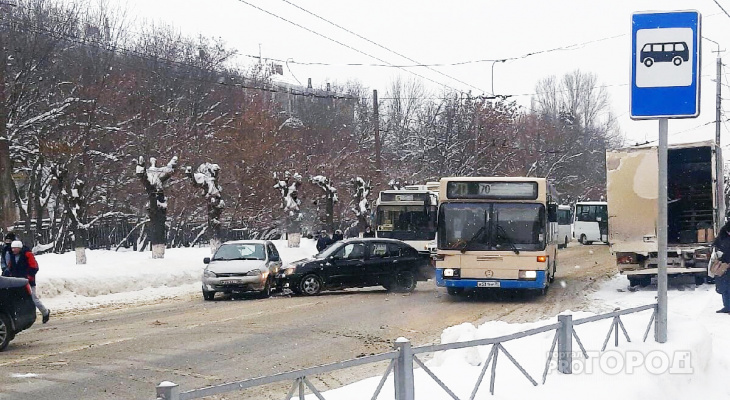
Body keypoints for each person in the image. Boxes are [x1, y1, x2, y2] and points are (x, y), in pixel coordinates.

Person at [5, 240, 50, 323]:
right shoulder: (12, 256)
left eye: (15, 248)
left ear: (19, 248)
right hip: (17, 282)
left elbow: (34, 267)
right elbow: (10, 267)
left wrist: (28, 277)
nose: (13, 250)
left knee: (33, 298)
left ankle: (45, 312)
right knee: (18, 300)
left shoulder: (28, 254)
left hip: (28, 281)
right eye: (12, 248)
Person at [711, 221, 730, 313]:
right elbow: (716, 246)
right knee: (724, 287)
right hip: (724, 265)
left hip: (724, 264)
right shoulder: (722, 236)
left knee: (726, 286)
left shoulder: (723, 236)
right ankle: (727, 306)